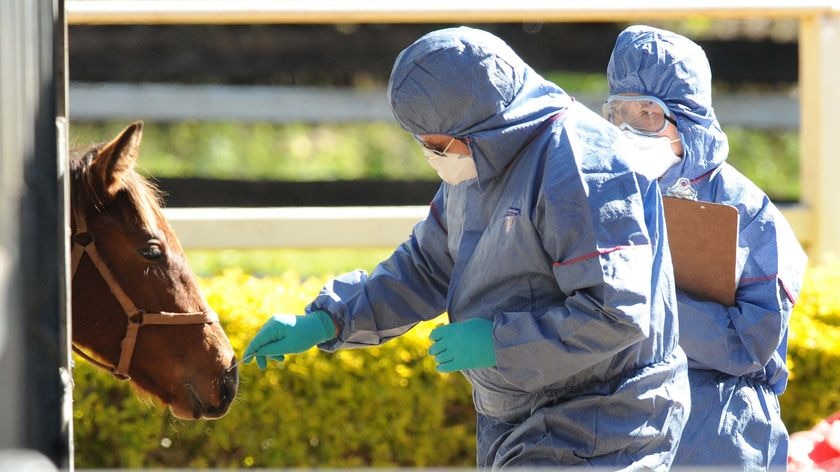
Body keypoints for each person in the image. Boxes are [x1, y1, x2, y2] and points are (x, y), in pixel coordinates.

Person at [244, 26, 690, 469]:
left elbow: (615, 314)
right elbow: (426, 265)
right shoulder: (481, 159)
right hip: (519, 412)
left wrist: (499, 343)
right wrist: (329, 319)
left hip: (603, 420)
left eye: (435, 142)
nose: (430, 152)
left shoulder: (579, 166)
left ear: (479, 127)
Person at [605, 24, 808, 470]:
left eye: (647, 113)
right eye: (617, 111)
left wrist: (647, 308)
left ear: (688, 118)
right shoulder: (614, 197)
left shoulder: (748, 211)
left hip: (722, 434)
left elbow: (749, 343)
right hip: (631, 427)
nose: (627, 127)